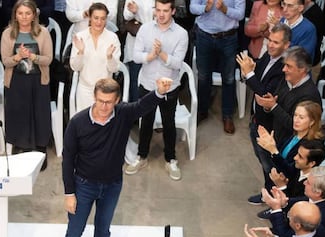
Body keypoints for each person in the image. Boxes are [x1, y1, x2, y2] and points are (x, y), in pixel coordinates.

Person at [62, 77, 173, 237]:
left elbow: (143, 106)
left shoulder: (122, 114)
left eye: (109, 102)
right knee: (75, 232)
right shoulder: (77, 122)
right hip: (83, 185)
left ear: (117, 100)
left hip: (112, 185)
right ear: (94, 97)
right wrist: (69, 192)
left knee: (103, 230)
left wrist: (159, 91)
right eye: (100, 101)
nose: (104, 107)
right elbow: (68, 158)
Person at [248, 46, 321, 203]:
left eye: (289, 66)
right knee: (270, 169)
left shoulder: (309, 95)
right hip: (280, 138)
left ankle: (276, 203)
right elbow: (278, 103)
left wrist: (273, 107)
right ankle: (269, 195)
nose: (284, 69)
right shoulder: (287, 81)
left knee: (278, 172)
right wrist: (270, 105)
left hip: (287, 143)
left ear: (302, 70)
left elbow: (293, 124)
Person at [124, 0, 188, 181]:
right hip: (148, 83)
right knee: (146, 121)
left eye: (165, 11)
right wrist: (151, 55)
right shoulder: (145, 29)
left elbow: (177, 63)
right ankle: (141, 156)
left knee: (169, 123)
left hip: (170, 86)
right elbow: (136, 56)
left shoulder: (181, 34)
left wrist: (161, 54)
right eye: (158, 10)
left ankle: (171, 158)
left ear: (173, 11)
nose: (161, 14)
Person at [237, 23, 291, 202]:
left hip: (270, 124)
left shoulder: (285, 67)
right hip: (257, 119)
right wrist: (249, 72)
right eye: (270, 40)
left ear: (287, 45)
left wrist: (249, 74)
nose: (270, 45)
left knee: (270, 164)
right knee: (262, 160)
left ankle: (275, 199)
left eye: (276, 42)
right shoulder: (269, 55)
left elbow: (266, 93)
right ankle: (269, 192)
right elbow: (256, 74)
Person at [0, 0, 53, 169]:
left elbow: (48, 59)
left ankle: (40, 149)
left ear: (34, 15)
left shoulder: (43, 32)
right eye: (20, 13)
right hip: (16, 81)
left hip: (39, 81)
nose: (24, 17)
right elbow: (6, 62)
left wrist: (32, 57)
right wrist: (18, 57)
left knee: (40, 114)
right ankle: (19, 144)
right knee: (17, 114)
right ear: (15, 15)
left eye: (27, 13)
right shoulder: (7, 33)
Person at [190, 0, 245, 135]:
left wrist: (225, 9)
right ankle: (202, 110)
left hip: (228, 37)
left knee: (229, 78)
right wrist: (206, 8)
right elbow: (192, 8)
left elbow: (241, 14)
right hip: (204, 36)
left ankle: (227, 115)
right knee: (203, 76)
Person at [255, 100, 323, 192]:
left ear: (312, 122)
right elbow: (282, 153)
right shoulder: (294, 134)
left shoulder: (311, 145)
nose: (296, 120)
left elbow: (293, 171)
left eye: (301, 117)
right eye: (295, 115)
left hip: (291, 187)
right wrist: (271, 144)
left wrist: (273, 150)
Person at [257, 138, 325, 220]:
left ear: (312, 163)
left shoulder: (312, 185)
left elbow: (293, 203)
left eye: (300, 157)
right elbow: (287, 169)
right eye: (297, 154)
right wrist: (273, 150)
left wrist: (282, 186)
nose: (295, 158)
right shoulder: (299, 167)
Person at [70, 2, 121, 112]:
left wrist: (110, 57)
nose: (99, 22)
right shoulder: (80, 37)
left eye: (103, 18)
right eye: (96, 18)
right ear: (89, 18)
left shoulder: (113, 38)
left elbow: (115, 69)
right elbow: (75, 67)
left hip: (106, 93)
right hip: (85, 90)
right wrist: (81, 52)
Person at [122, 0, 154, 102]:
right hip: (136, 44)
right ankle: (135, 114)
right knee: (135, 82)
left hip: (155, 43)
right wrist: (133, 11)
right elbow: (126, 16)